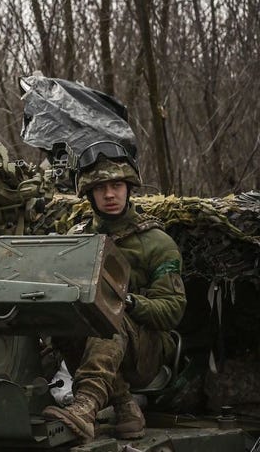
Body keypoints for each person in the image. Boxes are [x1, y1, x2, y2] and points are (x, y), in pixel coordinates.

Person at [42, 141, 186, 443]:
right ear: (89, 194)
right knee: (65, 319)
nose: (110, 194)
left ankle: (86, 408)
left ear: (128, 187)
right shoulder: (78, 240)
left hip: (145, 352)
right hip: (94, 347)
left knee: (109, 314)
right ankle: (125, 407)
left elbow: (172, 310)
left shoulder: (156, 241)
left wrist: (128, 302)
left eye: (117, 184)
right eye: (101, 187)